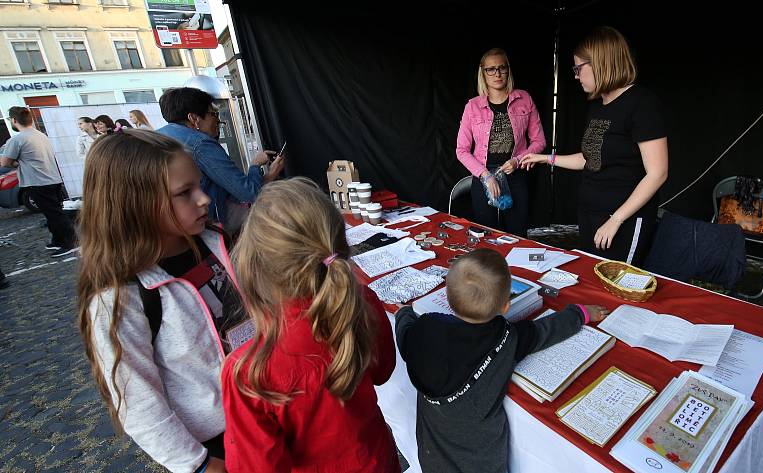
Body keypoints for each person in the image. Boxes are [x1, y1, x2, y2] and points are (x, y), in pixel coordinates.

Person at [77, 130, 251, 473]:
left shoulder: (217, 241)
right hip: (215, 443)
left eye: (198, 186)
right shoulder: (120, 296)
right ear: (135, 204)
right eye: (185, 193)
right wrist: (196, 464)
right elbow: (138, 399)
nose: (203, 199)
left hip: (267, 410)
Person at [221, 177, 400, 472]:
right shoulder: (362, 302)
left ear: (254, 265)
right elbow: (382, 372)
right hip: (377, 459)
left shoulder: (249, 371)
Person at [395, 248, 608, 473]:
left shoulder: (424, 329)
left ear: (448, 298)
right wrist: (580, 313)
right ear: (505, 306)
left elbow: (404, 335)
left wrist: (404, 314)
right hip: (482, 460)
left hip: (434, 454)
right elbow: (544, 331)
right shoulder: (507, 339)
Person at [521, 26, 668, 266]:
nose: (576, 76)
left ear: (601, 63)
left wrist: (616, 219)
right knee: (593, 277)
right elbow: (590, 159)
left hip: (622, 219)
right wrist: (545, 158)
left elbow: (657, 173)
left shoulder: (642, 104)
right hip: (591, 213)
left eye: (579, 68)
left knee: (616, 282)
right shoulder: (597, 106)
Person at [157, 87, 285, 229]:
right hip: (206, 226)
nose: (218, 120)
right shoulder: (201, 144)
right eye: (213, 114)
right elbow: (248, 193)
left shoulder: (159, 137)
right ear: (194, 119)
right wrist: (257, 166)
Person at [456, 48, 546, 237]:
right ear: (483, 73)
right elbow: (461, 150)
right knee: (486, 235)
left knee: (518, 236)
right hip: (484, 178)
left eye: (501, 68)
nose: (497, 73)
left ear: (508, 70)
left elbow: (539, 141)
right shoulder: (472, 106)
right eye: (491, 69)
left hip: (515, 175)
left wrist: (518, 161)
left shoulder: (524, 99)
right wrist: (485, 176)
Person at [0, 107, 77, 257]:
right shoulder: (40, 135)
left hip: (38, 181)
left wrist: (17, 164)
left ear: (14, 120)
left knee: (54, 214)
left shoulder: (16, 139)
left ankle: (71, 242)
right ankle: (58, 240)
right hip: (51, 178)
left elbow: (5, 162)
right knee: (52, 212)